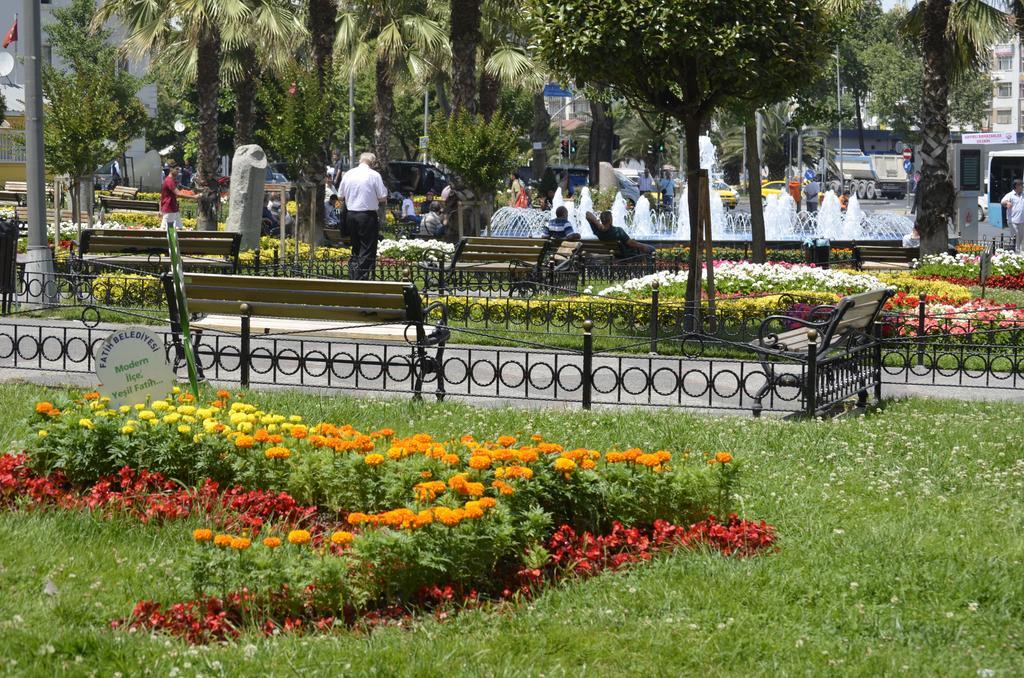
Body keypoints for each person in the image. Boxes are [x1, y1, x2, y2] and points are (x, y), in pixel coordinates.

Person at [339, 152, 388, 279]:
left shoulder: (349, 174)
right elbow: (382, 197)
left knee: (356, 247)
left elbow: (340, 195)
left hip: (351, 215)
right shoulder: (374, 175)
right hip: (367, 215)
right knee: (367, 248)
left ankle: (353, 274)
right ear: (372, 162)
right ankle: (361, 277)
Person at [585, 210, 655, 260]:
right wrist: (642, 245)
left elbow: (588, 214)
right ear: (610, 220)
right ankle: (650, 271)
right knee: (652, 249)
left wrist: (599, 226)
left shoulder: (597, 230)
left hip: (613, 253)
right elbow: (631, 243)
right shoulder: (617, 231)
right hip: (625, 255)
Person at [159, 162, 188, 231]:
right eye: (177, 169)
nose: (178, 171)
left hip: (173, 208)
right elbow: (178, 194)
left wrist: (160, 209)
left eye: (179, 169)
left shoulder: (170, 180)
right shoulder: (169, 181)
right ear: (171, 169)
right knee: (164, 230)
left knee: (180, 229)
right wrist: (194, 197)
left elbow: (162, 196)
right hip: (169, 208)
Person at [1001, 179, 1024, 252]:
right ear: (1016, 186)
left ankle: (1019, 251)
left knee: (1021, 238)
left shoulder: (1023, 194)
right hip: (1013, 220)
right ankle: (1016, 253)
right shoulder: (1010, 195)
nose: (1022, 187)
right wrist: (1007, 202)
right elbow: (1002, 202)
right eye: (1021, 185)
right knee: (1016, 236)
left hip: (1022, 221)